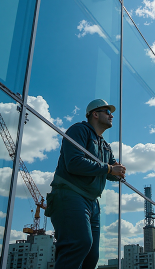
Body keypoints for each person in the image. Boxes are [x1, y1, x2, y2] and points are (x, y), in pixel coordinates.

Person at [49, 99, 126, 269]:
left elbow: (111, 172)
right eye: (107, 111)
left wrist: (118, 172)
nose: (111, 115)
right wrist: (109, 169)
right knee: (79, 243)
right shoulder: (79, 130)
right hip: (70, 194)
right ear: (95, 114)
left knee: (92, 256)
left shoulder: (105, 146)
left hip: (92, 201)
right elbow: (74, 163)